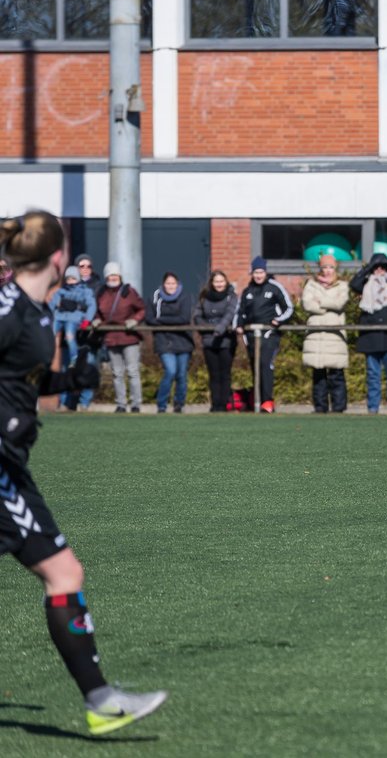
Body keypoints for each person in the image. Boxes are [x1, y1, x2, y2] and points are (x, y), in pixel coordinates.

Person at [0, 212, 167, 735]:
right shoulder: (9, 310)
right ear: (59, 256)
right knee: (63, 573)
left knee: (65, 573)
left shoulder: (34, 309)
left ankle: (101, 701)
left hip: (11, 465)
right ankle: (100, 700)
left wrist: (69, 376)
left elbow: (20, 376)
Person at [351, 252, 387, 414]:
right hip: (371, 337)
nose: (379, 270)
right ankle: (372, 408)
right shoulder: (365, 283)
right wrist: (368, 267)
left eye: (382, 267)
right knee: (372, 375)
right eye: (376, 267)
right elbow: (354, 285)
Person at [234, 256, 294, 413]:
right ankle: (257, 400)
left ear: (266, 272)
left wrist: (278, 320)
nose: (258, 275)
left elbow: (289, 308)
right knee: (255, 367)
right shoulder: (247, 291)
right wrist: (239, 326)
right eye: (255, 272)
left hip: (269, 334)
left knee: (265, 365)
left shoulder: (274, 287)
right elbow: (240, 311)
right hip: (251, 337)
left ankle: (268, 401)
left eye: (261, 272)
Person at [93, 261, 145, 414]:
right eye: (110, 275)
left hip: (129, 337)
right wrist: (96, 320)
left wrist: (135, 320)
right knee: (116, 373)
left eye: (115, 274)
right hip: (110, 337)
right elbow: (96, 311)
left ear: (120, 275)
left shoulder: (129, 292)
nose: (113, 277)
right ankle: (121, 404)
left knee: (133, 371)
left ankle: (136, 403)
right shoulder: (101, 293)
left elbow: (142, 309)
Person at [301, 256, 350, 414]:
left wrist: (320, 301)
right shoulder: (311, 285)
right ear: (320, 268)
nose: (328, 271)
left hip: (335, 337)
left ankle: (339, 407)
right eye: (325, 267)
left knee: (337, 374)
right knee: (318, 375)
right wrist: (329, 302)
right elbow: (307, 303)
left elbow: (340, 303)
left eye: (331, 267)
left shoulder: (343, 286)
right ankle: (320, 407)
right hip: (316, 336)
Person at [50, 264, 97, 411]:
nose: (70, 280)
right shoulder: (61, 291)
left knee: (70, 336)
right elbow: (52, 305)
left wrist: (87, 319)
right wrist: (54, 308)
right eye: (68, 278)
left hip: (75, 322)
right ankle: (65, 403)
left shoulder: (85, 291)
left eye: (73, 278)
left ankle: (74, 357)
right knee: (51, 333)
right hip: (60, 317)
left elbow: (91, 305)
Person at [146, 271, 195, 414]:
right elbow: (149, 318)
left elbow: (184, 318)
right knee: (170, 371)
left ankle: (179, 403)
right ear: (163, 284)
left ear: (178, 284)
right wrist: (167, 321)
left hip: (183, 341)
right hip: (164, 341)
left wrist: (161, 320)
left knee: (181, 375)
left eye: (173, 283)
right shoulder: (155, 297)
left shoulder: (185, 297)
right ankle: (161, 404)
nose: (170, 286)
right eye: (168, 283)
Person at [194, 270, 238, 413]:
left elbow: (230, 314)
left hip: (226, 340)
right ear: (212, 283)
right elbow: (198, 315)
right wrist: (205, 327)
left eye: (221, 281)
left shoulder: (231, 297)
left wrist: (220, 327)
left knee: (225, 374)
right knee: (213, 374)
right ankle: (215, 405)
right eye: (216, 281)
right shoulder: (204, 297)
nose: (219, 284)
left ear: (226, 282)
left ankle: (224, 404)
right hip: (209, 340)